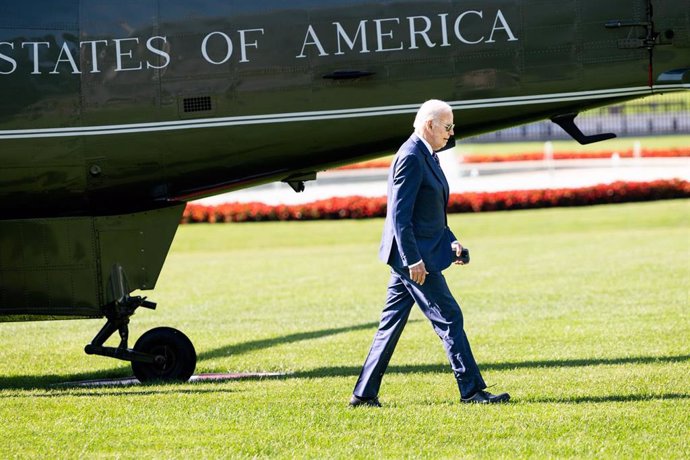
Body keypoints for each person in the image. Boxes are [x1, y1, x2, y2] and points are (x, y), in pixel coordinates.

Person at [349, 100, 510, 407]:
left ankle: (363, 394)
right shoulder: (411, 156)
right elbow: (400, 216)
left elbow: (430, 213)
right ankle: (472, 391)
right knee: (450, 317)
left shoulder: (427, 154)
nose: (451, 132)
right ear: (430, 125)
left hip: (418, 255)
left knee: (391, 324)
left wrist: (451, 243)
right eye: (447, 126)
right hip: (414, 261)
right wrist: (413, 260)